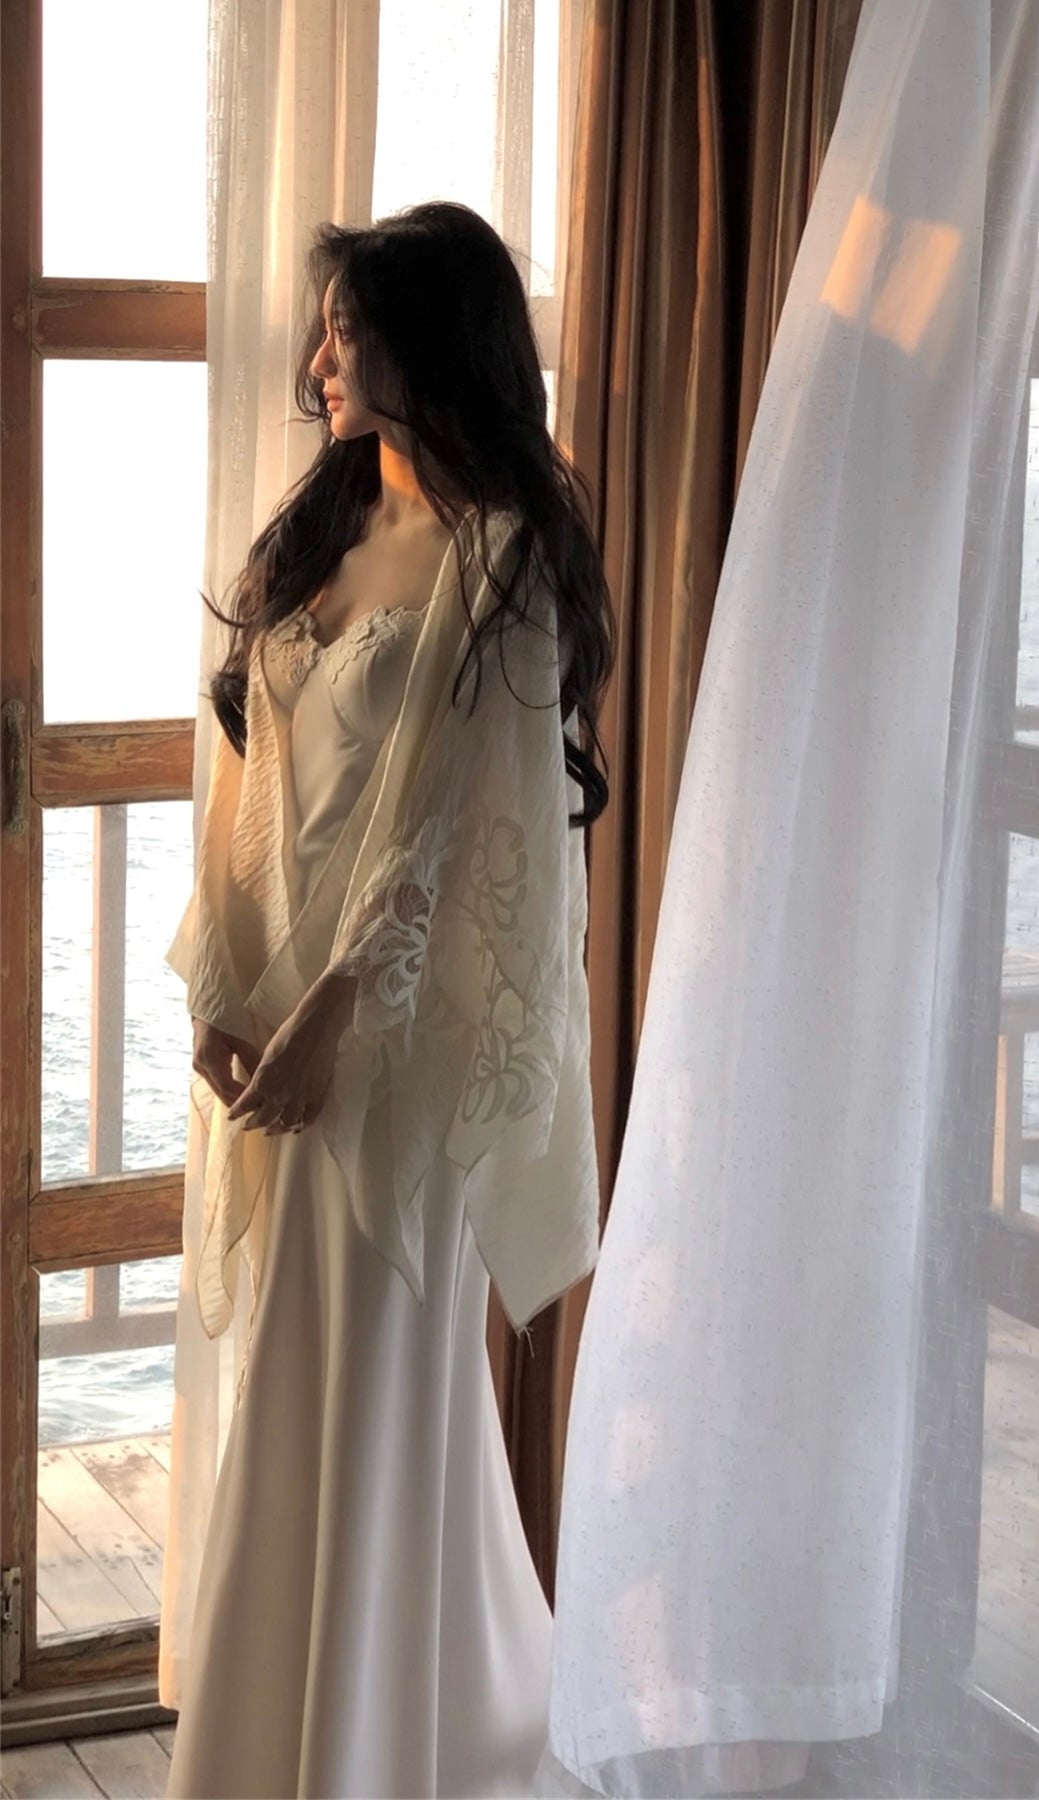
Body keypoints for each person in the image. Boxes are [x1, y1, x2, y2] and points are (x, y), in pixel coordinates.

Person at [161, 199, 613, 1799]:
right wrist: (224, 993)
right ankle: (286, 1741)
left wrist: (341, 1011)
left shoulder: (507, 559)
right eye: (325, 331)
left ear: (429, 342)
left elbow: (463, 819)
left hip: (387, 1051)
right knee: (296, 1382)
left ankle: (377, 1753)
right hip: (281, 1034)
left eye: (345, 332)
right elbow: (248, 786)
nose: (318, 361)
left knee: (375, 1384)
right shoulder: (322, 537)